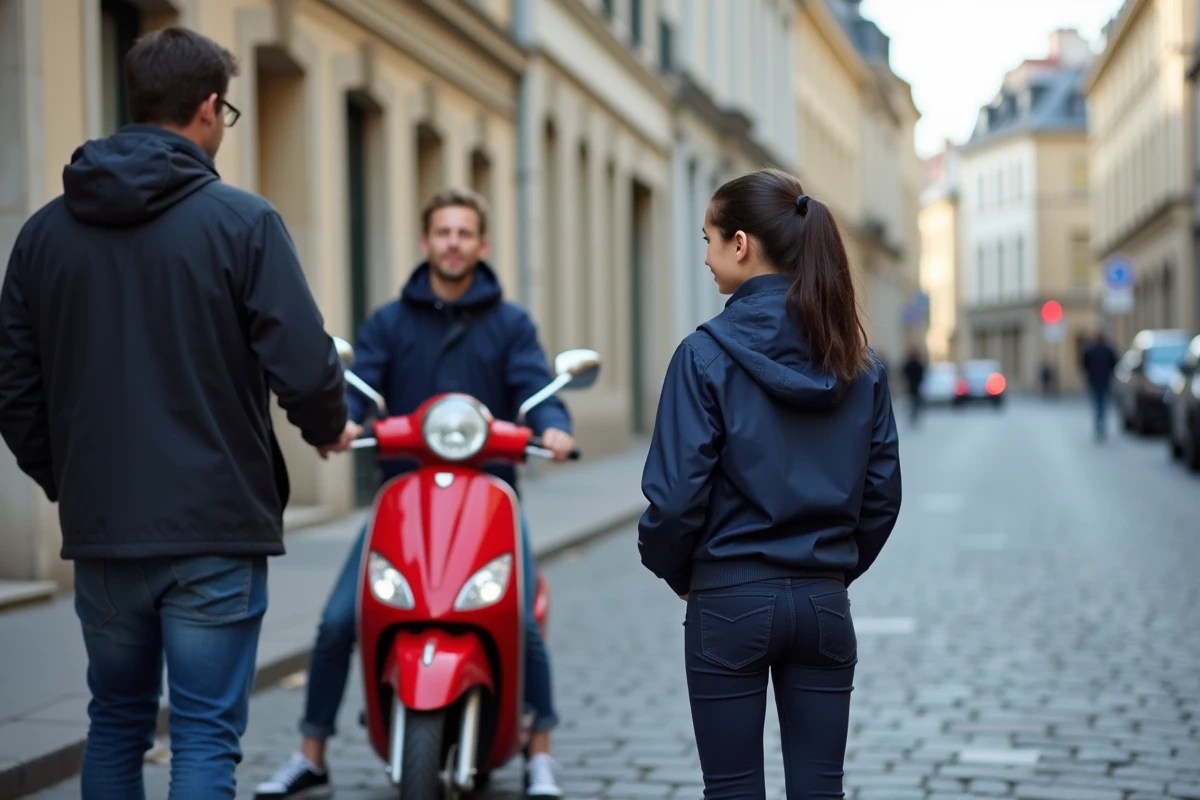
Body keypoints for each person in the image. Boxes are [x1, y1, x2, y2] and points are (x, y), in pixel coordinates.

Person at [0, 27, 358, 800]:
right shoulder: (242, 222)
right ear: (206, 107)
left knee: (117, 721)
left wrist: (70, 479)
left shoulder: (41, 236)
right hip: (214, 529)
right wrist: (328, 427)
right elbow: (302, 359)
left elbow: (14, 388)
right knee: (202, 735)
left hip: (104, 530)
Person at [255, 188, 573, 800]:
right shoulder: (389, 322)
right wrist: (343, 419)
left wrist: (554, 424)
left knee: (518, 619)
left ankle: (540, 752)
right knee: (336, 621)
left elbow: (536, 387)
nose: (453, 243)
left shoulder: (510, 324)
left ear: (481, 245)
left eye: (464, 233)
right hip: (406, 498)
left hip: (489, 501)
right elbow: (362, 383)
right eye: (442, 232)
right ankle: (311, 752)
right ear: (425, 242)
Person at [637, 168, 902, 799]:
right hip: (822, 604)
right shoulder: (857, 362)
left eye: (708, 239)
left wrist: (684, 574)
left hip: (728, 599)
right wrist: (826, 570)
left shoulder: (702, 355)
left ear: (740, 244)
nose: (704, 257)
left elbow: (674, 499)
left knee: (731, 791)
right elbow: (882, 493)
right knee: (820, 790)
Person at [1081, 329, 1119, 440]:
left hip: (1095, 381)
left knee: (1097, 404)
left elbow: (1085, 366)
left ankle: (1099, 424)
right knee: (1102, 403)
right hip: (1104, 381)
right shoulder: (1108, 350)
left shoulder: (1090, 350)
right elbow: (1114, 364)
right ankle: (1101, 424)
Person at [902, 348, 926, 425]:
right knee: (915, 401)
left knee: (912, 401)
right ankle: (914, 415)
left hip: (910, 385)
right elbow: (922, 374)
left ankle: (912, 415)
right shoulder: (918, 364)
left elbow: (903, 372)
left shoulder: (909, 364)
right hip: (916, 385)